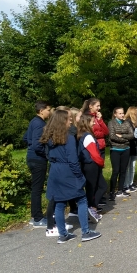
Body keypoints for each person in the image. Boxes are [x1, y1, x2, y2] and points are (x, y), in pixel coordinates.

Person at [41, 109, 101, 244]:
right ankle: (86, 232)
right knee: (81, 199)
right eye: (68, 119)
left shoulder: (49, 136)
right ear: (62, 121)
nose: (70, 121)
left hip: (55, 170)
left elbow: (47, 154)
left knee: (60, 202)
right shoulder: (68, 138)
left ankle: (63, 234)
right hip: (67, 170)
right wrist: (80, 176)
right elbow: (73, 160)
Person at [23, 100, 51, 228]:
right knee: (37, 189)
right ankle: (38, 218)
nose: (49, 112)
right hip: (38, 159)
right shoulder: (40, 124)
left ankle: (35, 216)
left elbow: (26, 138)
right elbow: (36, 144)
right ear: (41, 111)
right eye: (48, 110)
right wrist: (45, 154)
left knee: (36, 188)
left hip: (32, 158)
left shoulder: (33, 122)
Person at [77, 114, 106, 222]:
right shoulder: (88, 136)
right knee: (94, 188)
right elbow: (94, 154)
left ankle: (92, 208)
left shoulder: (84, 135)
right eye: (92, 122)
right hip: (91, 164)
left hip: (90, 164)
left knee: (96, 187)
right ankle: (90, 208)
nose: (94, 123)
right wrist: (101, 163)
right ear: (86, 123)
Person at [81, 98, 109, 204]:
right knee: (94, 176)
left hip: (101, 146)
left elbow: (106, 131)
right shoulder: (87, 118)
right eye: (97, 106)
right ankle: (92, 201)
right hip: (92, 146)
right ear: (90, 106)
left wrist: (100, 120)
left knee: (99, 173)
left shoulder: (97, 118)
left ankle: (97, 198)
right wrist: (99, 133)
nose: (99, 108)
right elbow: (92, 133)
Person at [108, 107, 135, 200]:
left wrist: (122, 135)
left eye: (122, 113)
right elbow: (112, 136)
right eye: (119, 113)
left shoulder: (127, 123)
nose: (122, 115)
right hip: (115, 149)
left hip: (126, 149)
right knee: (115, 171)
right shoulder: (111, 123)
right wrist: (125, 139)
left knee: (123, 171)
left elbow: (132, 135)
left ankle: (120, 189)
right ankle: (111, 191)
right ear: (115, 114)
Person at [124, 106, 137, 192]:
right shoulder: (127, 122)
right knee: (128, 166)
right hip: (129, 146)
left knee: (132, 166)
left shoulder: (135, 123)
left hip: (134, 146)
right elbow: (132, 135)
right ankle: (126, 184)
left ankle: (131, 183)